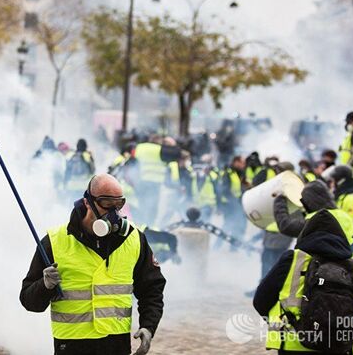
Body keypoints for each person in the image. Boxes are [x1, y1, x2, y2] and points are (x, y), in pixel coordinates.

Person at [20, 174, 166, 355]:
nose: (114, 212)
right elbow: (29, 301)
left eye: (118, 204)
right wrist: (45, 285)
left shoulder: (134, 239)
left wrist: (148, 326)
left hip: (116, 345)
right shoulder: (54, 241)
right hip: (72, 345)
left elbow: (152, 289)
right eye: (106, 203)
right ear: (87, 202)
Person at [253, 209, 353, 354]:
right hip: (339, 346)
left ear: (305, 236)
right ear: (341, 239)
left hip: (294, 347)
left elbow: (260, 300)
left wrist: (284, 321)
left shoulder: (292, 260)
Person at [133, 135, 168, 224]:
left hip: (141, 180)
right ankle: (149, 224)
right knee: (152, 206)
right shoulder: (160, 149)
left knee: (142, 203)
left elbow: (134, 160)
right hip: (155, 182)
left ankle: (140, 222)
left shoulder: (140, 147)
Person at [218, 155, 247, 249]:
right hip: (229, 204)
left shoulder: (239, 173)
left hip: (237, 203)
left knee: (238, 225)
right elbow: (225, 190)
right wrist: (234, 202)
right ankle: (217, 246)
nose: (244, 165)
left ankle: (234, 247)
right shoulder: (228, 173)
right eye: (242, 163)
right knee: (228, 225)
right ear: (236, 162)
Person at [193, 154, 220, 223]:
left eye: (206, 163)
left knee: (205, 221)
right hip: (198, 202)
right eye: (203, 162)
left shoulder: (213, 173)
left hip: (208, 204)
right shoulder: (196, 172)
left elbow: (217, 190)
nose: (204, 165)